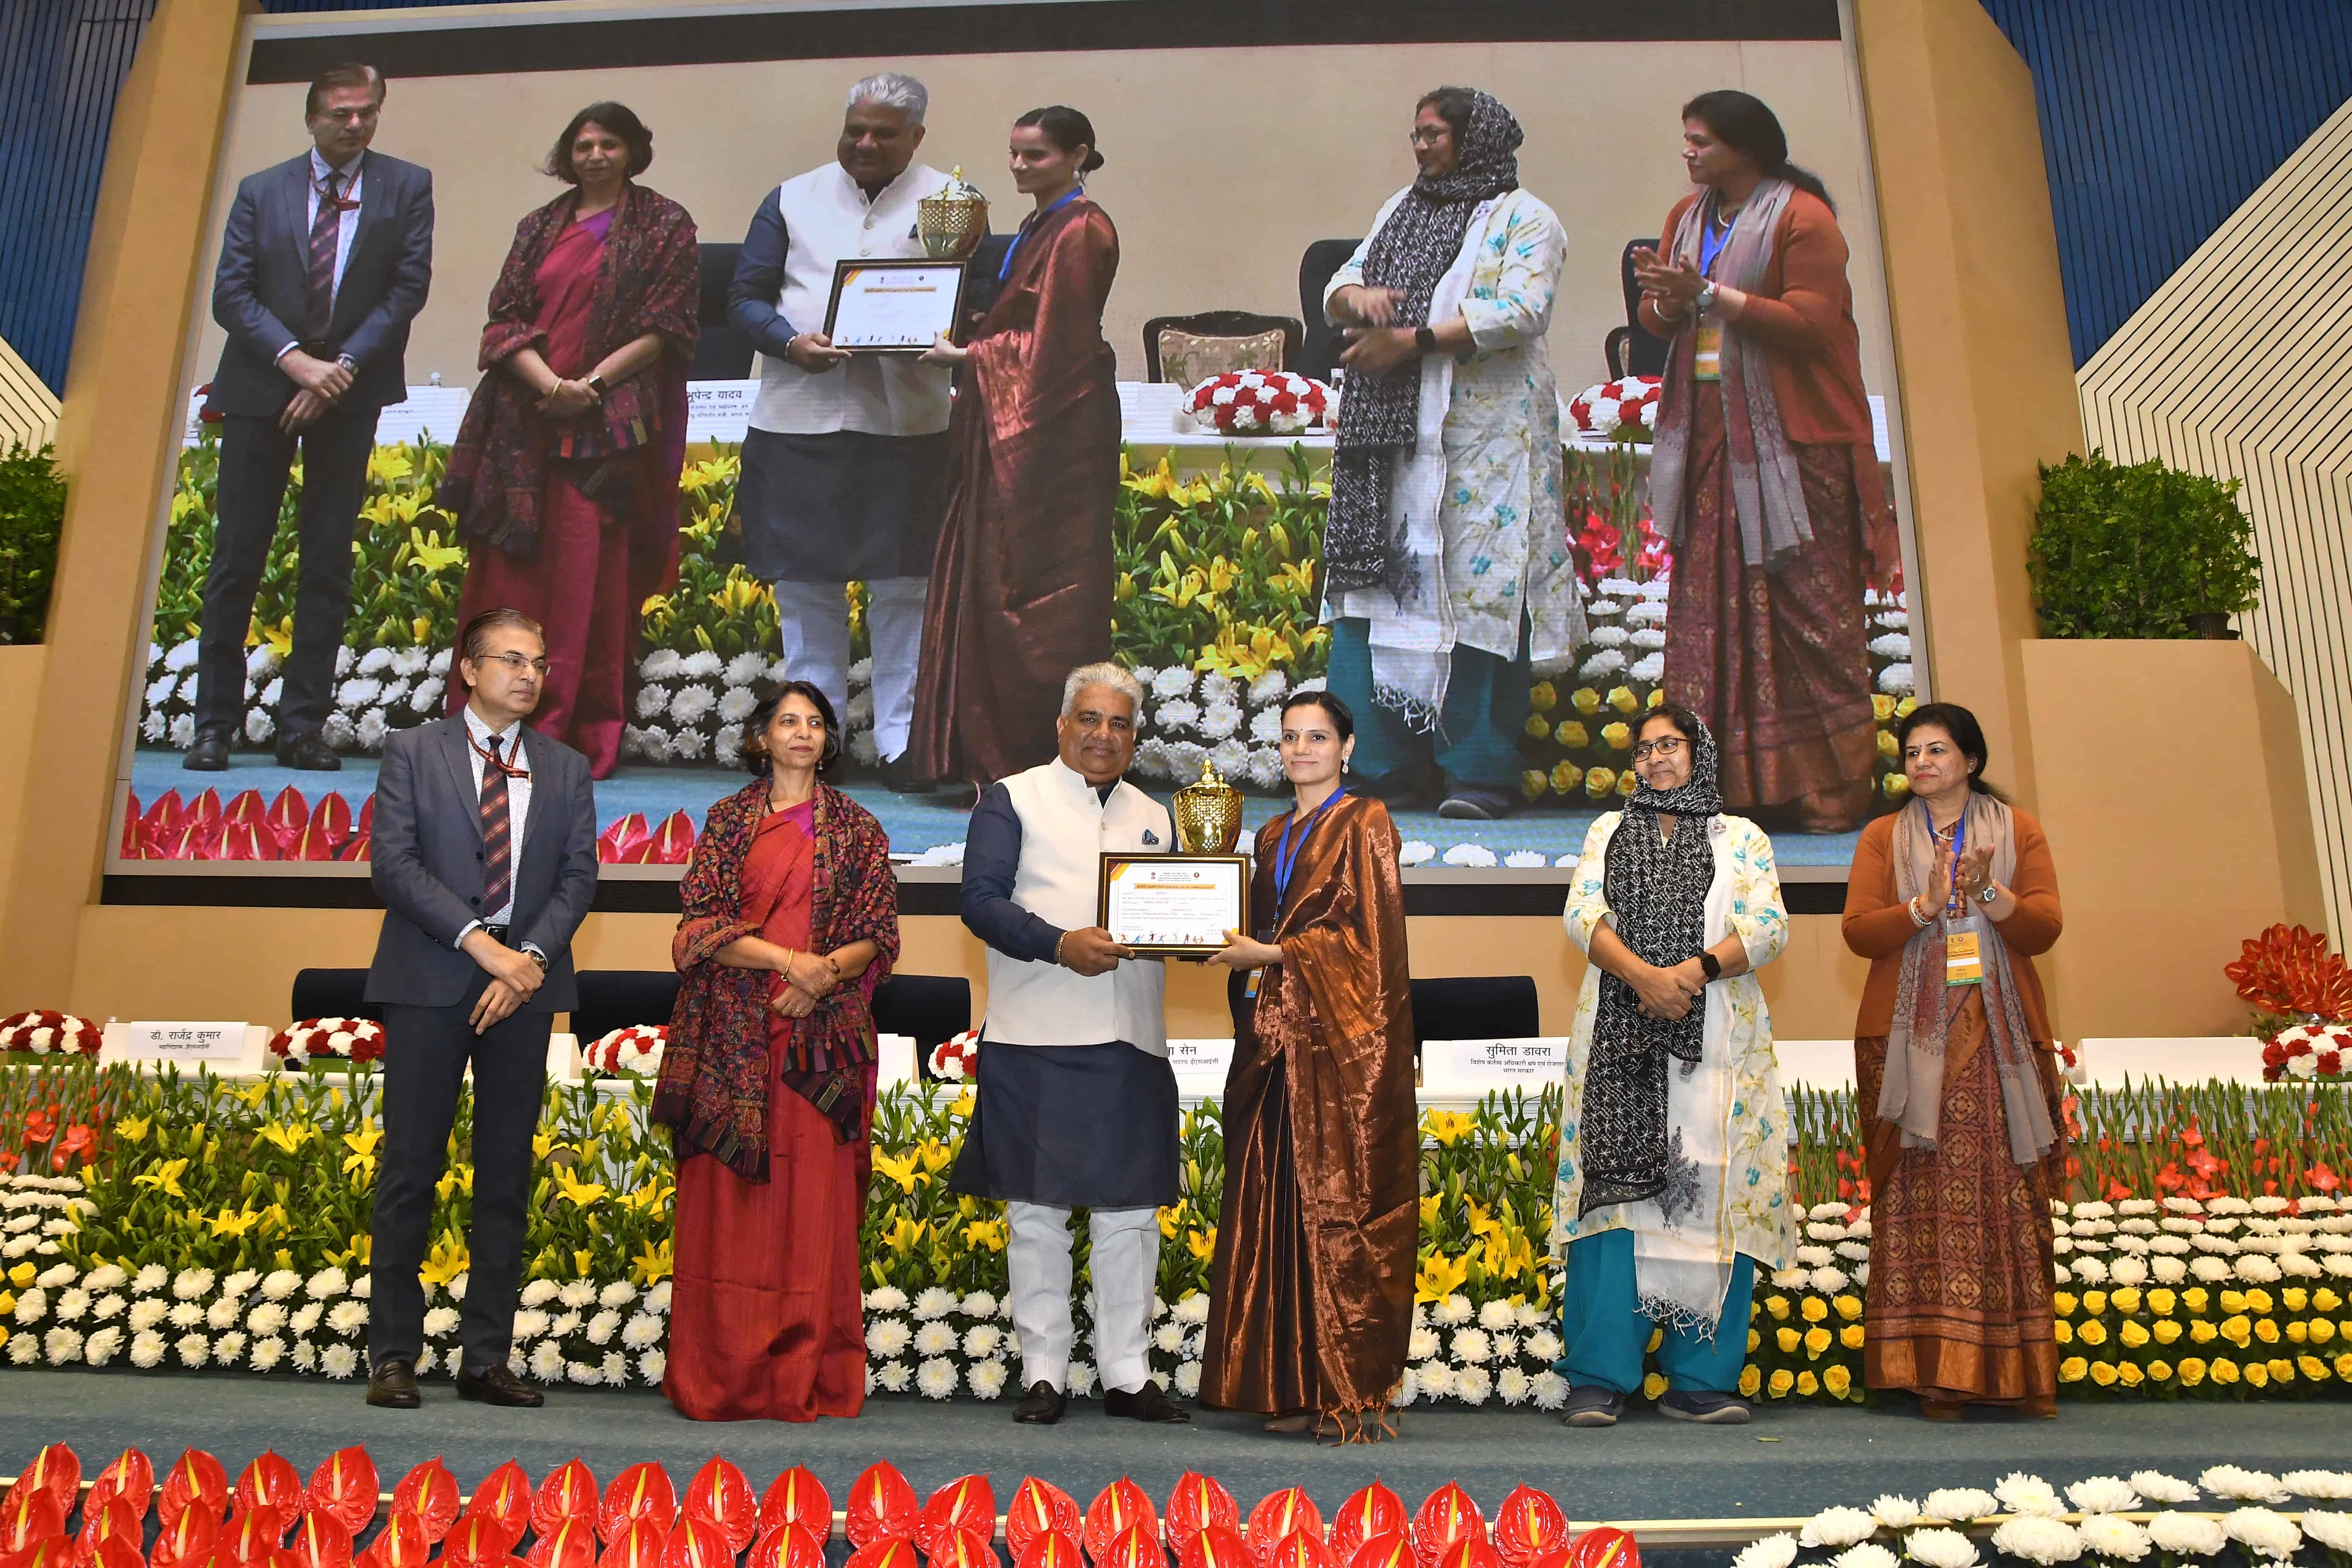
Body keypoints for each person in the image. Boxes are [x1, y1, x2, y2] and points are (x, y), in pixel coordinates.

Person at [1320, 87, 1581, 822]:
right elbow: (1343, 281)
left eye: (1435, 134)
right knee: (1384, 589)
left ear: (1479, 138)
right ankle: (1385, 765)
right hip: (1394, 444)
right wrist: (1360, 302)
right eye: (1417, 133)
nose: (1421, 146)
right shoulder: (1402, 208)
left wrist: (1413, 340)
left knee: (1478, 595)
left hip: (1485, 445)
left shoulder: (1528, 218)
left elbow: (1522, 310)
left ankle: (1477, 770)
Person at [1638, 90, 1892, 834]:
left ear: (1747, 149)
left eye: (1702, 142)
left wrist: (1709, 294)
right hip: (1711, 433)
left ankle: (1833, 785)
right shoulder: (1687, 219)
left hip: (1796, 439)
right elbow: (1660, 323)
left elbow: (1812, 323)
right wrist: (1668, 301)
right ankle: (1731, 784)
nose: (1688, 154)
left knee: (1809, 610)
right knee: (1712, 613)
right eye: (1687, 141)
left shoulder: (1804, 218)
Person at [364, 608, 598, 1410]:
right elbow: (394, 865)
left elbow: (578, 878)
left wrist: (527, 961)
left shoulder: (566, 768)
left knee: (504, 1175)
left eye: (538, 662)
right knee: (410, 1172)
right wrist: (482, 946)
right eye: (512, 660)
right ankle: (394, 1356)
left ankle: (485, 1358)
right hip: (431, 982)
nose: (529, 675)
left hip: (524, 990)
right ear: (468, 669)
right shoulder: (413, 751)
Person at [947, 662, 1187, 1426]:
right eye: (1089, 718)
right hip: (1035, 1033)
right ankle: (1045, 1369)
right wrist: (1058, 945)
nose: (1103, 735)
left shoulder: (1157, 817)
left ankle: (1127, 1372)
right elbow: (979, 902)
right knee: (1035, 1211)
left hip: (1131, 1038)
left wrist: (1203, 934)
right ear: (1061, 725)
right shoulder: (1012, 798)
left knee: (1130, 1214)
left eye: (1119, 723)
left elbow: (1178, 916)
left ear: (1136, 737)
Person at [656, 680, 900, 1421]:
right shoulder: (729, 821)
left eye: (815, 722)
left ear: (828, 741)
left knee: (811, 1209)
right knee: (730, 1214)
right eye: (788, 721)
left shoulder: (858, 829)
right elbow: (700, 929)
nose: (802, 732)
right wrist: (790, 964)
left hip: (817, 1048)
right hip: (733, 1039)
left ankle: (808, 1376)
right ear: (760, 738)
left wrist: (819, 979)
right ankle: (723, 1374)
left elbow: (877, 935)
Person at [438, 102, 699, 780]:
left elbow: (667, 325)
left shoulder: (666, 225)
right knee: (511, 579)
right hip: (523, 424)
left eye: (609, 144)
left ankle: (569, 729)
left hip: (607, 431)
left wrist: (590, 386)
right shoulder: (538, 228)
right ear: (567, 154)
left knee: (588, 579)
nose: (595, 156)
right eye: (583, 145)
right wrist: (551, 386)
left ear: (633, 151)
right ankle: (488, 726)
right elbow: (503, 324)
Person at [1549, 705, 1793, 1427]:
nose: (1656, 758)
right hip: (1620, 1044)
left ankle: (1701, 1379)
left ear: (1699, 752)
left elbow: (1768, 927)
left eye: (1671, 745)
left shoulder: (1741, 837)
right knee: (1616, 1200)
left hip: (1718, 1045)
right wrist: (1645, 978)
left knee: (1715, 1190)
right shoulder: (1608, 830)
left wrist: (1691, 972)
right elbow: (1582, 916)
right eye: (1644, 748)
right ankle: (1600, 1376)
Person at [188, 63, 433, 773]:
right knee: (236, 559)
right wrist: (298, 363)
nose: (355, 124)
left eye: (366, 112)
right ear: (312, 118)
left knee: (327, 560)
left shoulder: (407, 186)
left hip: (349, 395)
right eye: (340, 113)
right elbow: (232, 295)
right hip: (260, 390)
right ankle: (214, 726)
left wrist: (339, 371)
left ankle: (302, 729)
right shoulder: (261, 190)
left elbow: (407, 289)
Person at [728, 73, 965, 792]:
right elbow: (744, 297)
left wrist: (951, 339)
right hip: (798, 420)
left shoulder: (953, 201)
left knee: (904, 588)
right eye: (854, 129)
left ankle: (901, 743)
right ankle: (814, 743)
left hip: (907, 424)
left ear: (916, 137)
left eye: (883, 134)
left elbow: (976, 296)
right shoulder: (790, 197)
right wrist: (788, 340)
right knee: (807, 590)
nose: (864, 143)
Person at [1201, 691, 1415, 1442]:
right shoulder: (1269, 834)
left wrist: (1274, 952)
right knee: (1274, 1209)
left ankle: (1344, 1392)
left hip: (1338, 1050)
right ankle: (1283, 1387)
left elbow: (1370, 942)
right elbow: (1251, 928)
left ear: (1347, 748)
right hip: (1270, 1040)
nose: (1301, 750)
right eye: (1290, 737)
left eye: (1317, 737)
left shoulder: (1366, 820)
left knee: (1338, 1213)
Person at [1843, 702, 2064, 1420]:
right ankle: (1931, 1373)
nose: (1922, 763)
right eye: (1912, 753)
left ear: (1971, 759)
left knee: (2006, 1195)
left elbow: (2044, 928)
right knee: (1920, 1197)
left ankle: (2015, 1373)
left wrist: (1986, 891)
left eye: (1937, 750)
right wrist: (1926, 904)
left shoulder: (2016, 830)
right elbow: (1859, 933)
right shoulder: (1883, 837)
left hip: (2001, 1038)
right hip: (1906, 1045)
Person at [906, 107, 1119, 792]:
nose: (1020, 167)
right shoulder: (1037, 224)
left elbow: (1060, 347)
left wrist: (972, 355)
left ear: (1078, 155)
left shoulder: (1083, 228)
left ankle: (1028, 753)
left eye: (1037, 155)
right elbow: (1020, 322)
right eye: (1015, 154)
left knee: (1028, 584)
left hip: (1052, 435)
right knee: (989, 576)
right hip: (1016, 421)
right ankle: (981, 745)